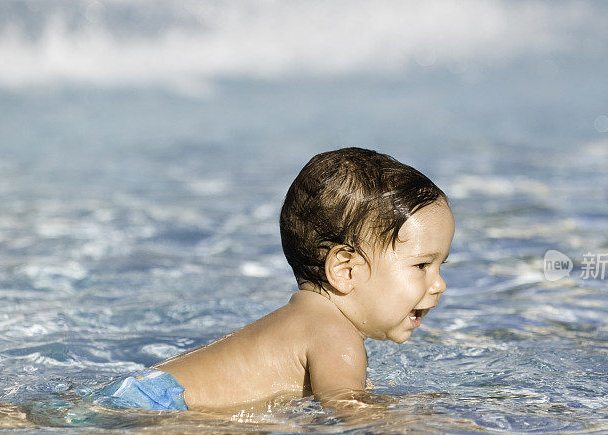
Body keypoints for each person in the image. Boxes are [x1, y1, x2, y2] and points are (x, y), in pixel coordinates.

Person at [86, 147, 455, 415]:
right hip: (159, 409)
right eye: (422, 265)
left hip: (147, 392)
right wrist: (425, 423)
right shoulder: (336, 336)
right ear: (346, 270)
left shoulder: (304, 320)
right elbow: (349, 412)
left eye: (441, 265)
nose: (438, 284)